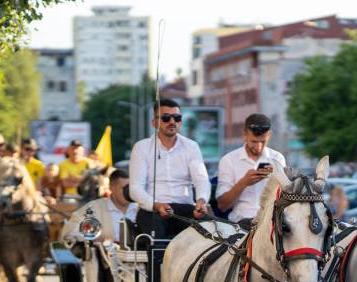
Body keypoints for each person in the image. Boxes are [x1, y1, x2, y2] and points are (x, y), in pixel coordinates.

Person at [129, 98, 210, 238]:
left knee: (210, 234)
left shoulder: (192, 146)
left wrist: (201, 201)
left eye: (177, 118)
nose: (172, 121)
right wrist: (157, 205)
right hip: (152, 209)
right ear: (154, 122)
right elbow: (135, 188)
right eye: (166, 118)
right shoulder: (142, 147)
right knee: (157, 239)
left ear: (181, 122)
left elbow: (201, 179)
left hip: (185, 209)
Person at [216, 113, 285, 228]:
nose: (258, 147)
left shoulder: (277, 158)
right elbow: (222, 206)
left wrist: (277, 177)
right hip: (241, 224)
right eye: (254, 141)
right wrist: (243, 182)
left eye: (263, 142)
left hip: (270, 223)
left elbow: (284, 197)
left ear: (269, 135)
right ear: (244, 135)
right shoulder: (228, 160)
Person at [63, 169, 138, 244]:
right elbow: (70, 233)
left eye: (130, 188)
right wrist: (92, 238)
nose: (128, 192)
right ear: (112, 188)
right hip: (102, 251)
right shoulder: (94, 208)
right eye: (124, 188)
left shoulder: (140, 209)